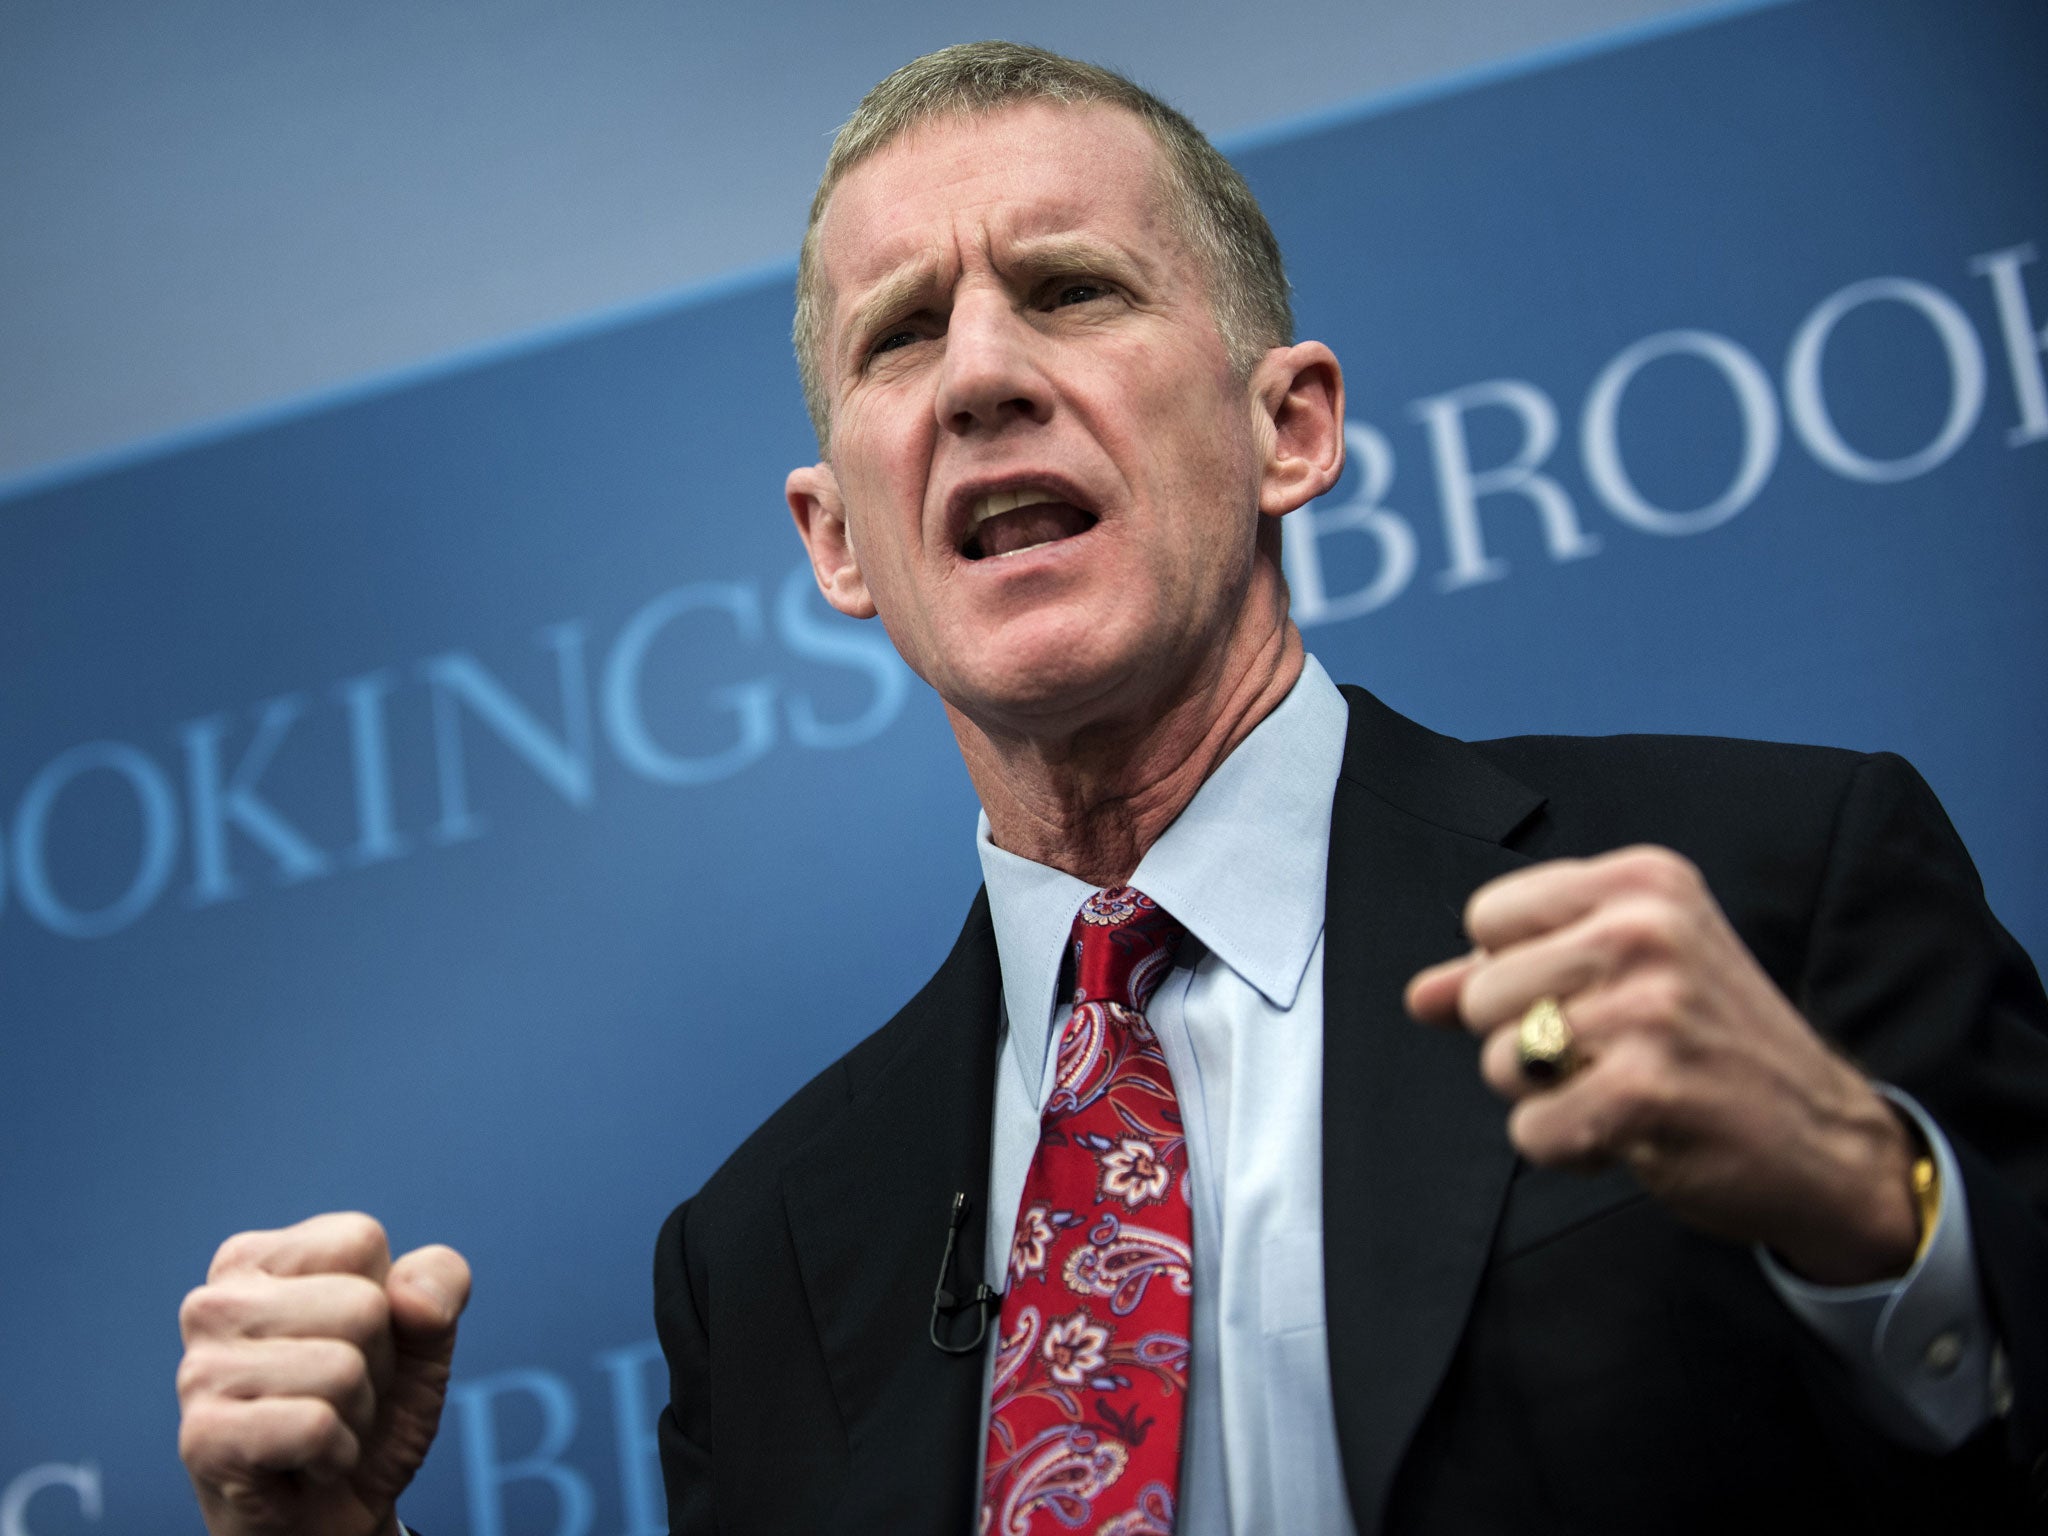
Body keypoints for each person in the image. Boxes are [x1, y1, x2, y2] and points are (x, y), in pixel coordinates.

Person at [175, 41, 2048, 1536]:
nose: (981, 370)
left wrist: (1867, 1204)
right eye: (901, 336)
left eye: (1069, 291)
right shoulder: (763, 1258)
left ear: (1287, 427)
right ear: (839, 542)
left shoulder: (1762, 886)